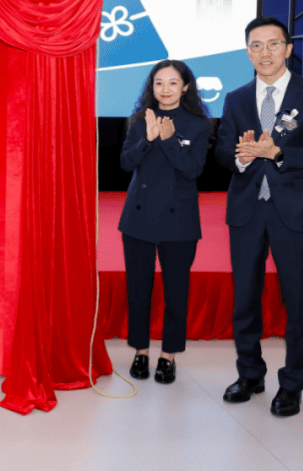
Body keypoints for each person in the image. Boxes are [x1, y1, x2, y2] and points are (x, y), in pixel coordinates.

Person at [216, 16, 303, 418]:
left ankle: (292, 384)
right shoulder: (235, 98)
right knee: (245, 300)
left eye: (273, 44)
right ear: (247, 52)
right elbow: (222, 152)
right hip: (247, 211)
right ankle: (250, 374)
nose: (264, 52)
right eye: (256, 45)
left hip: (297, 213)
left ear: (288, 48)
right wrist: (242, 156)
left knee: (297, 302)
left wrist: (277, 153)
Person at [118, 59, 212, 385]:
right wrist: (147, 139)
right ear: (152, 86)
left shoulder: (198, 125)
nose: (165, 89)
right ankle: (140, 351)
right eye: (159, 82)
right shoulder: (139, 120)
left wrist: (168, 140)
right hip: (138, 218)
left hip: (179, 221)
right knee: (138, 291)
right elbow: (126, 162)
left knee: (176, 292)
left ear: (185, 87)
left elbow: (192, 170)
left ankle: (168, 355)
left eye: (173, 83)